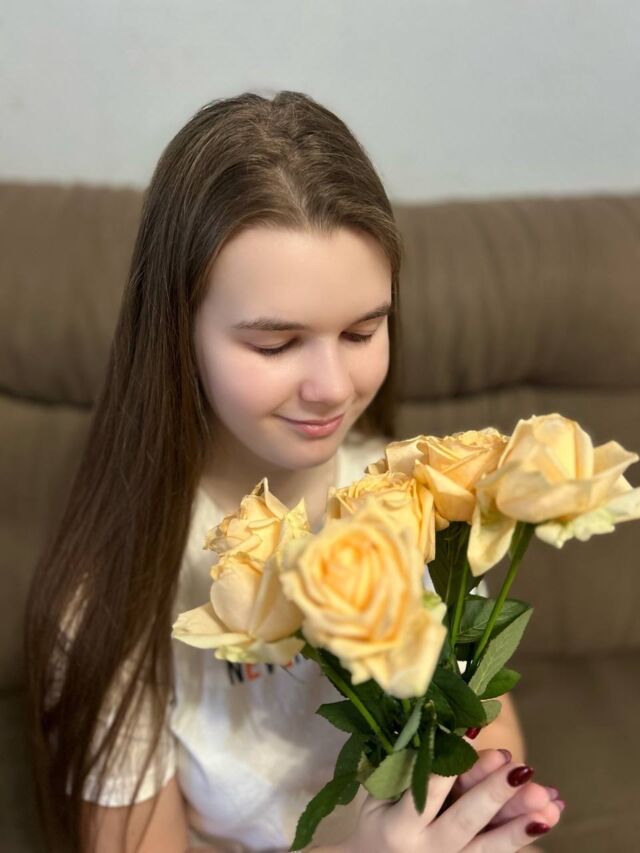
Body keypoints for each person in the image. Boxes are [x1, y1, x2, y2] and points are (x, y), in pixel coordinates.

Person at [24, 91, 563, 853]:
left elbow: (483, 724)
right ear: (177, 332)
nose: (332, 387)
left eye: (362, 331)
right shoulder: (114, 594)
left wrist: (490, 812)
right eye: (275, 345)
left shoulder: (420, 498)